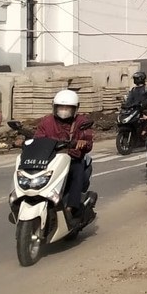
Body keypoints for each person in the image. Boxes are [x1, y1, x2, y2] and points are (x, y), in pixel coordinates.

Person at [33, 89, 93, 223]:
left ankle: (71, 208)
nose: (64, 110)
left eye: (67, 108)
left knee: (77, 171)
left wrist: (82, 142)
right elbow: (38, 138)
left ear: (75, 108)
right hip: (49, 159)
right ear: (55, 107)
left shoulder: (81, 122)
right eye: (61, 107)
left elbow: (88, 142)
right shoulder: (47, 122)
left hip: (72, 159)